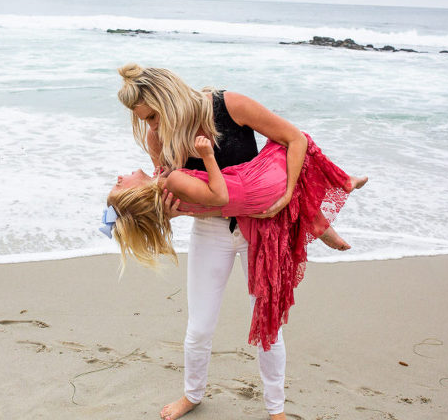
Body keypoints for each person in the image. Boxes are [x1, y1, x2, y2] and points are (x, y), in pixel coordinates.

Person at [111, 63, 365, 420]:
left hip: (261, 229)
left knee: (268, 326)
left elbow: (295, 140)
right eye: (145, 121)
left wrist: (286, 196)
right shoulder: (158, 139)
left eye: (153, 116)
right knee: (198, 327)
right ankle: (192, 394)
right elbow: (183, 199)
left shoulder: (230, 106)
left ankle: (276, 409)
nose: (151, 128)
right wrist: (171, 213)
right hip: (211, 231)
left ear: (167, 96)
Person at [104, 133, 366, 344]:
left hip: (248, 196)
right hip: (251, 187)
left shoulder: (166, 188)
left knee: (293, 173)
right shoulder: (171, 182)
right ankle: (342, 181)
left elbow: (209, 205)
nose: (118, 177)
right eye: (119, 185)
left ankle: (320, 222)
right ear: (135, 195)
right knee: (293, 141)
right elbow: (219, 198)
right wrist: (207, 155)